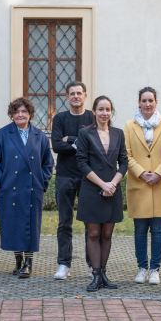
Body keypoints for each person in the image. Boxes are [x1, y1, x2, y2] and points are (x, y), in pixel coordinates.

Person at [0, 98, 54, 278]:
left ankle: (28, 263)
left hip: (33, 189)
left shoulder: (39, 136)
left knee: (31, 225)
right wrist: (0, 180)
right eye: (16, 112)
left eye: (24, 112)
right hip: (10, 188)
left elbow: (48, 163)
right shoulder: (3, 134)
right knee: (13, 224)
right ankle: (18, 260)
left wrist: (42, 181)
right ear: (12, 114)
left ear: (30, 114)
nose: (20, 115)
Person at [123, 87, 161, 285]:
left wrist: (159, 173)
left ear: (156, 102)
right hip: (139, 184)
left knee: (158, 230)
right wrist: (142, 173)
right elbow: (125, 154)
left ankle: (155, 269)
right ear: (138, 103)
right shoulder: (129, 126)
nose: (147, 104)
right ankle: (141, 267)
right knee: (139, 230)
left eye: (150, 100)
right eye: (144, 101)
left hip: (159, 184)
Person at [77, 95, 128, 292]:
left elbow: (124, 161)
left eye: (107, 109)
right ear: (94, 112)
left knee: (107, 233)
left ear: (111, 112)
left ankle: (104, 274)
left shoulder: (119, 133)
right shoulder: (85, 133)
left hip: (112, 189)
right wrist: (102, 184)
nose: (104, 113)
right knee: (93, 232)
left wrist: (113, 183)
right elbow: (81, 162)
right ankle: (95, 275)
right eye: (101, 109)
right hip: (91, 188)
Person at [50, 81, 94, 280]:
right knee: (64, 222)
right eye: (72, 93)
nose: (76, 96)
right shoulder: (60, 118)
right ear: (67, 97)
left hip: (88, 176)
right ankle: (63, 264)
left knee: (90, 223)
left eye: (79, 93)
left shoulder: (93, 117)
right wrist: (80, 142)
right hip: (65, 175)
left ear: (85, 95)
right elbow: (56, 146)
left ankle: (93, 265)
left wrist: (70, 139)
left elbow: (95, 145)